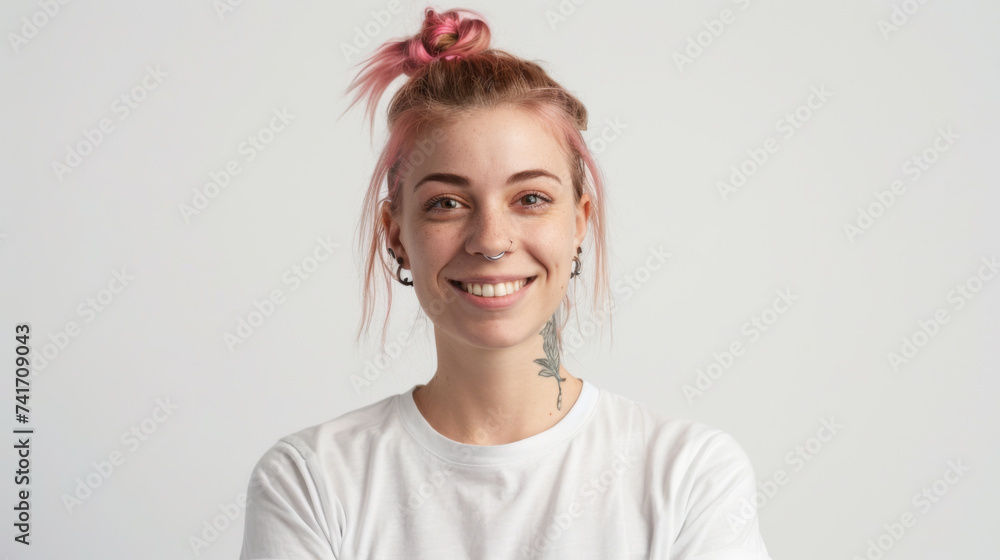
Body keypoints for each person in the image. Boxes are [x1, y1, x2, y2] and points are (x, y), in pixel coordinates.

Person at [239, 7, 773, 559]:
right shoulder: (311, 482)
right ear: (395, 233)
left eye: (531, 199)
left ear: (579, 222)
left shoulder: (689, 477)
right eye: (447, 203)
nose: (491, 241)